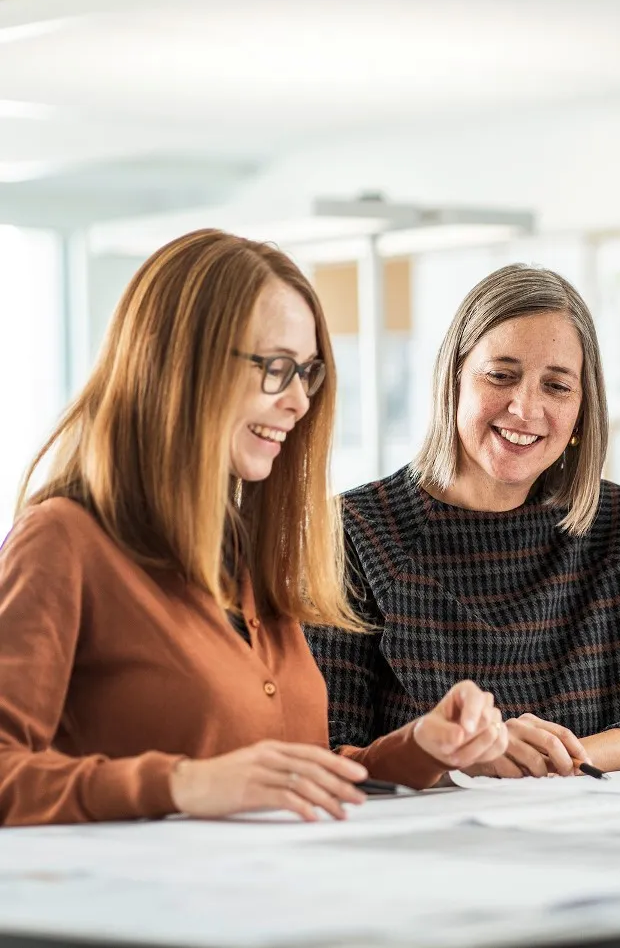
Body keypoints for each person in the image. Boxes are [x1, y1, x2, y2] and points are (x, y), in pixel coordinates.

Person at [0, 228, 507, 826]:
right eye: (275, 367)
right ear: (180, 365)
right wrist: (182, 783)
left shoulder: (242, 554)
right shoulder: (63, 542)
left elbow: (292, 774)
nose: (299, 400)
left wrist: (421, 747)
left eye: (307, 373)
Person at [307, 264, 620, 777]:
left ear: (581, 409)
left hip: (593, 839)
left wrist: (563, 757)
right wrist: (470, 760)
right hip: (427, 847)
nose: (525, 409)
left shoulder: (612, 522)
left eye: (556, 386)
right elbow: (328, 751)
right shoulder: (352, 533)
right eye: (500, 376)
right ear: (453, 380)